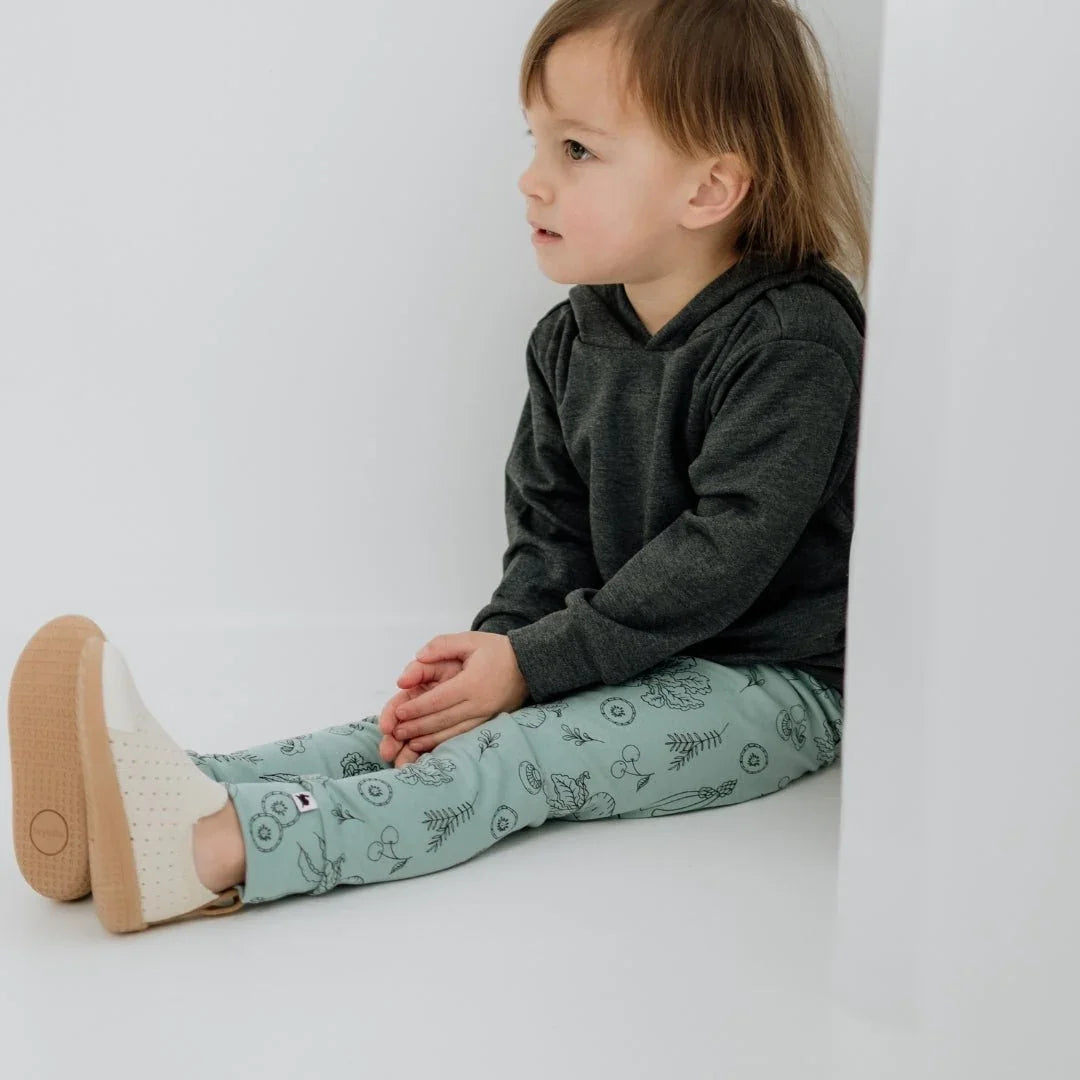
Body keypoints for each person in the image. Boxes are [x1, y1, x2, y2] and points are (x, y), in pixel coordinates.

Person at [8, 0, 867, 933]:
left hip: (767, 685)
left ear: (708, 189)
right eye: (534, 143)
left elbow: (724, 551)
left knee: (516, 760)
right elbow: (550, 528)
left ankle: (217, 856)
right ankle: (166, 797)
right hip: (616, 651)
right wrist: (493, 659)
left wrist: (529, 672)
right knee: (402, 737)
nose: (532, 182)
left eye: (576, 150)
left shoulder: (793, 341)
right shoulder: (572, 339)